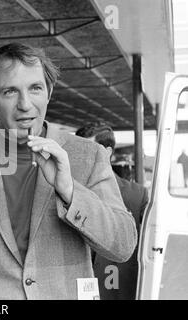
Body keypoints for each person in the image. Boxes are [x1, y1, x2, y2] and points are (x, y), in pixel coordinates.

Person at [0, 43, 137, 300]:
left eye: (35, 88)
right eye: (10, 91)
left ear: (49, 92)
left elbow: (122, 247)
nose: (25, 105)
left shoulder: (88, 156)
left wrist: (70, 191)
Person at [75, 124, 149, 300]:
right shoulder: (65, 190)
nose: (79, 157)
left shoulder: (137, 195)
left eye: (87, 150)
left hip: (117, 289)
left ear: (107, 152)